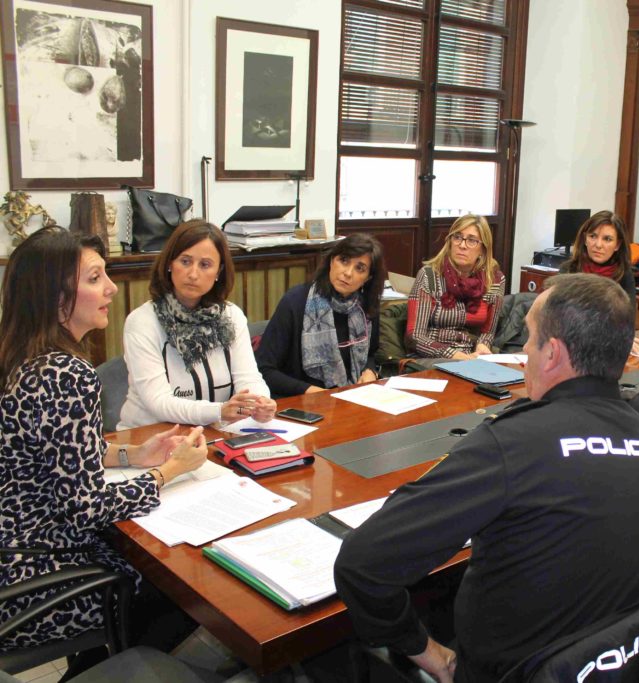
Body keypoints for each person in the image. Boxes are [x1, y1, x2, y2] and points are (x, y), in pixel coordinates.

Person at [335, 274, 639, 683]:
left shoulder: (513, 442)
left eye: (529, 338)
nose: (524, 350)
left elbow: (361, 564)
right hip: (613, 665)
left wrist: (433, 656)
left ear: (551, 354)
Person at [0, 227, 207, 668]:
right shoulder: (64, 374)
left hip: (16, 553)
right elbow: (86, 507)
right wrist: (170, 471)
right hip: (39, 577)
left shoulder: (22, 356)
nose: (112, 288)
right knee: (183, 588)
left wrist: (135, 455)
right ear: (56, 298)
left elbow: (58, 453)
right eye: (95, 278)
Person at [119, 220, 276, 428]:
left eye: (205, 265)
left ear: (218, 272)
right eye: (185, 261)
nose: (193, 274)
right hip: (149, 435)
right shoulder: (142, 322)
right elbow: (158, 402)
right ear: (169, 264)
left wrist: (259, 402)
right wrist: (218, 411)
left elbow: (248, 378)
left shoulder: (231, 316)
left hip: (211, 433)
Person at [256, 234, 385, 398]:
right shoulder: (295, 302)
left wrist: (370, 371)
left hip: (353, 398)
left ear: (368, 278)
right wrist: (309, 391)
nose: (348, 273)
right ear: (331, 261)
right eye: (344, 261)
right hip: (302, 400)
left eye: (360, 268)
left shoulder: (366, 307)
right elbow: (263, 369)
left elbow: (371, 355)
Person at [405, 214, 505, 359]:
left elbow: (487, 332)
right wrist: (454, 355)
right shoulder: (429, 275)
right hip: (432, 356)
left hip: (472, 355)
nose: (462, 245)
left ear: (483, 249)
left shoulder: (494, 279)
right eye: (457, 237)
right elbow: (414, 336)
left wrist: (483, 345)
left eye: (471, 240)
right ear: (450, 242)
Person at [559, 210, 636, 309]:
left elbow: (629, 314)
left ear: (617, 245)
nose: (598, 245)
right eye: (593, 236)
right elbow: (555, 310)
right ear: (585, 239)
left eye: (607, 239)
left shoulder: (624, 274)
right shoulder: (568, 269)